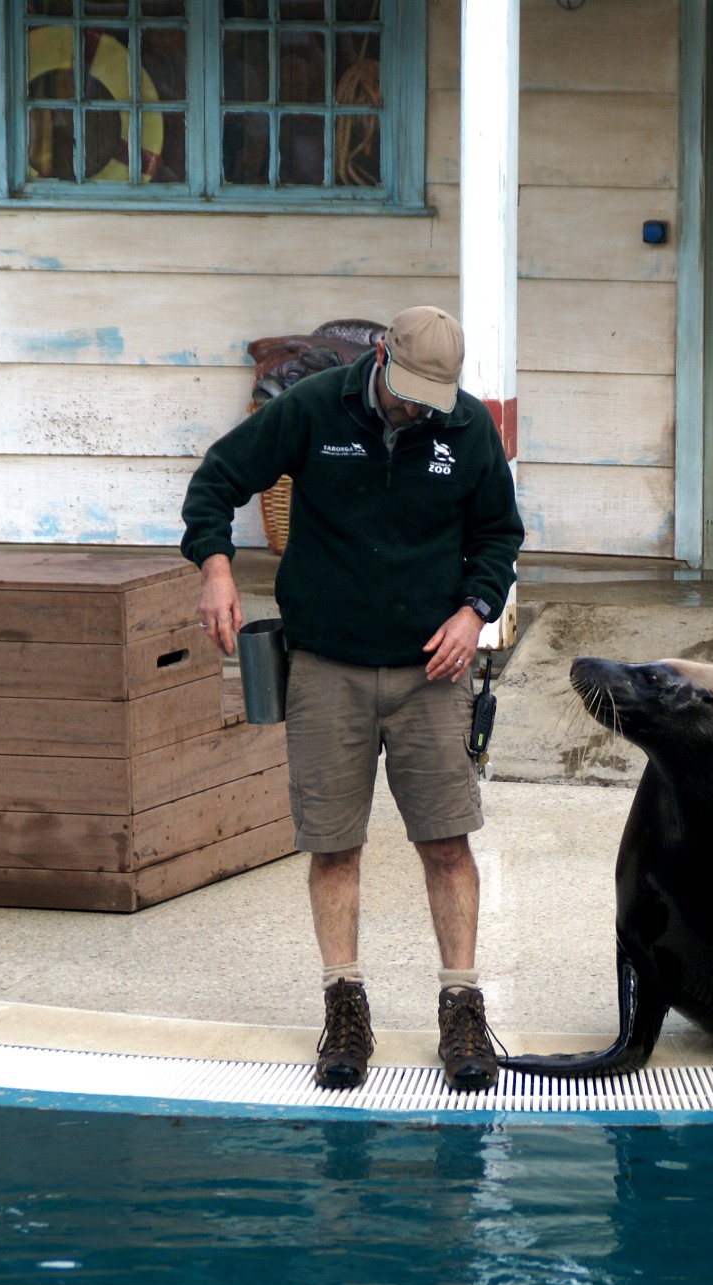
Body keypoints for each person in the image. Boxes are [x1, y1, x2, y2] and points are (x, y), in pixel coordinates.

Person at [180, 306, 524, 1093]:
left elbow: (500, 535)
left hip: (430, 672)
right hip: (327, 665)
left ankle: (462, 1005)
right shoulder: (313, 407)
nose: (417, 407)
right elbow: (218, 479)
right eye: (407, 391)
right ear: (380, 357)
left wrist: (475, 610)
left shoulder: (467, 430)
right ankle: (344, 1004)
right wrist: (215, 564)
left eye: (432, 396)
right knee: (334, 844)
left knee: (446, 841)